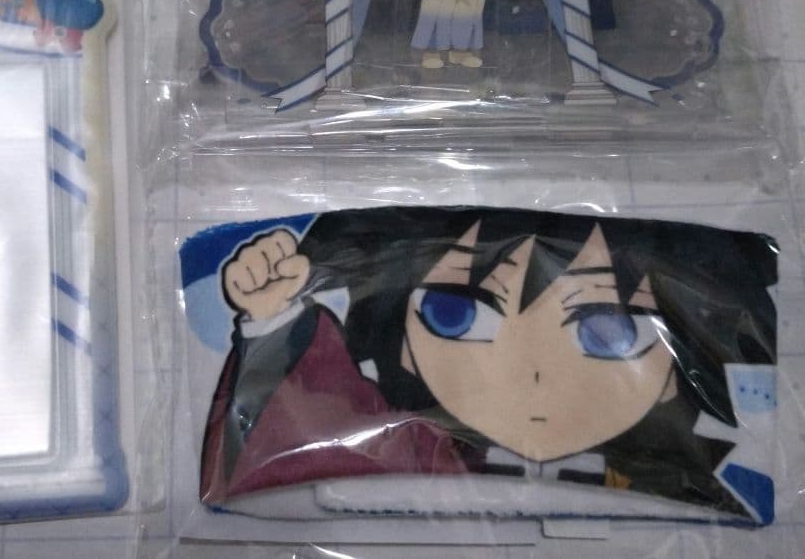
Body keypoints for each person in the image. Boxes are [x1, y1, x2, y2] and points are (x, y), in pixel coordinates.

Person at [199, 206, 776, 518]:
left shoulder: (697, 477)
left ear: (676, 372)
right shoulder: (414, 447)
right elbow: (320, 415)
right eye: (457, 316)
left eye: (607, 333)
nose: (534, 371)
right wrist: (274, 319)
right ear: (403, 345)